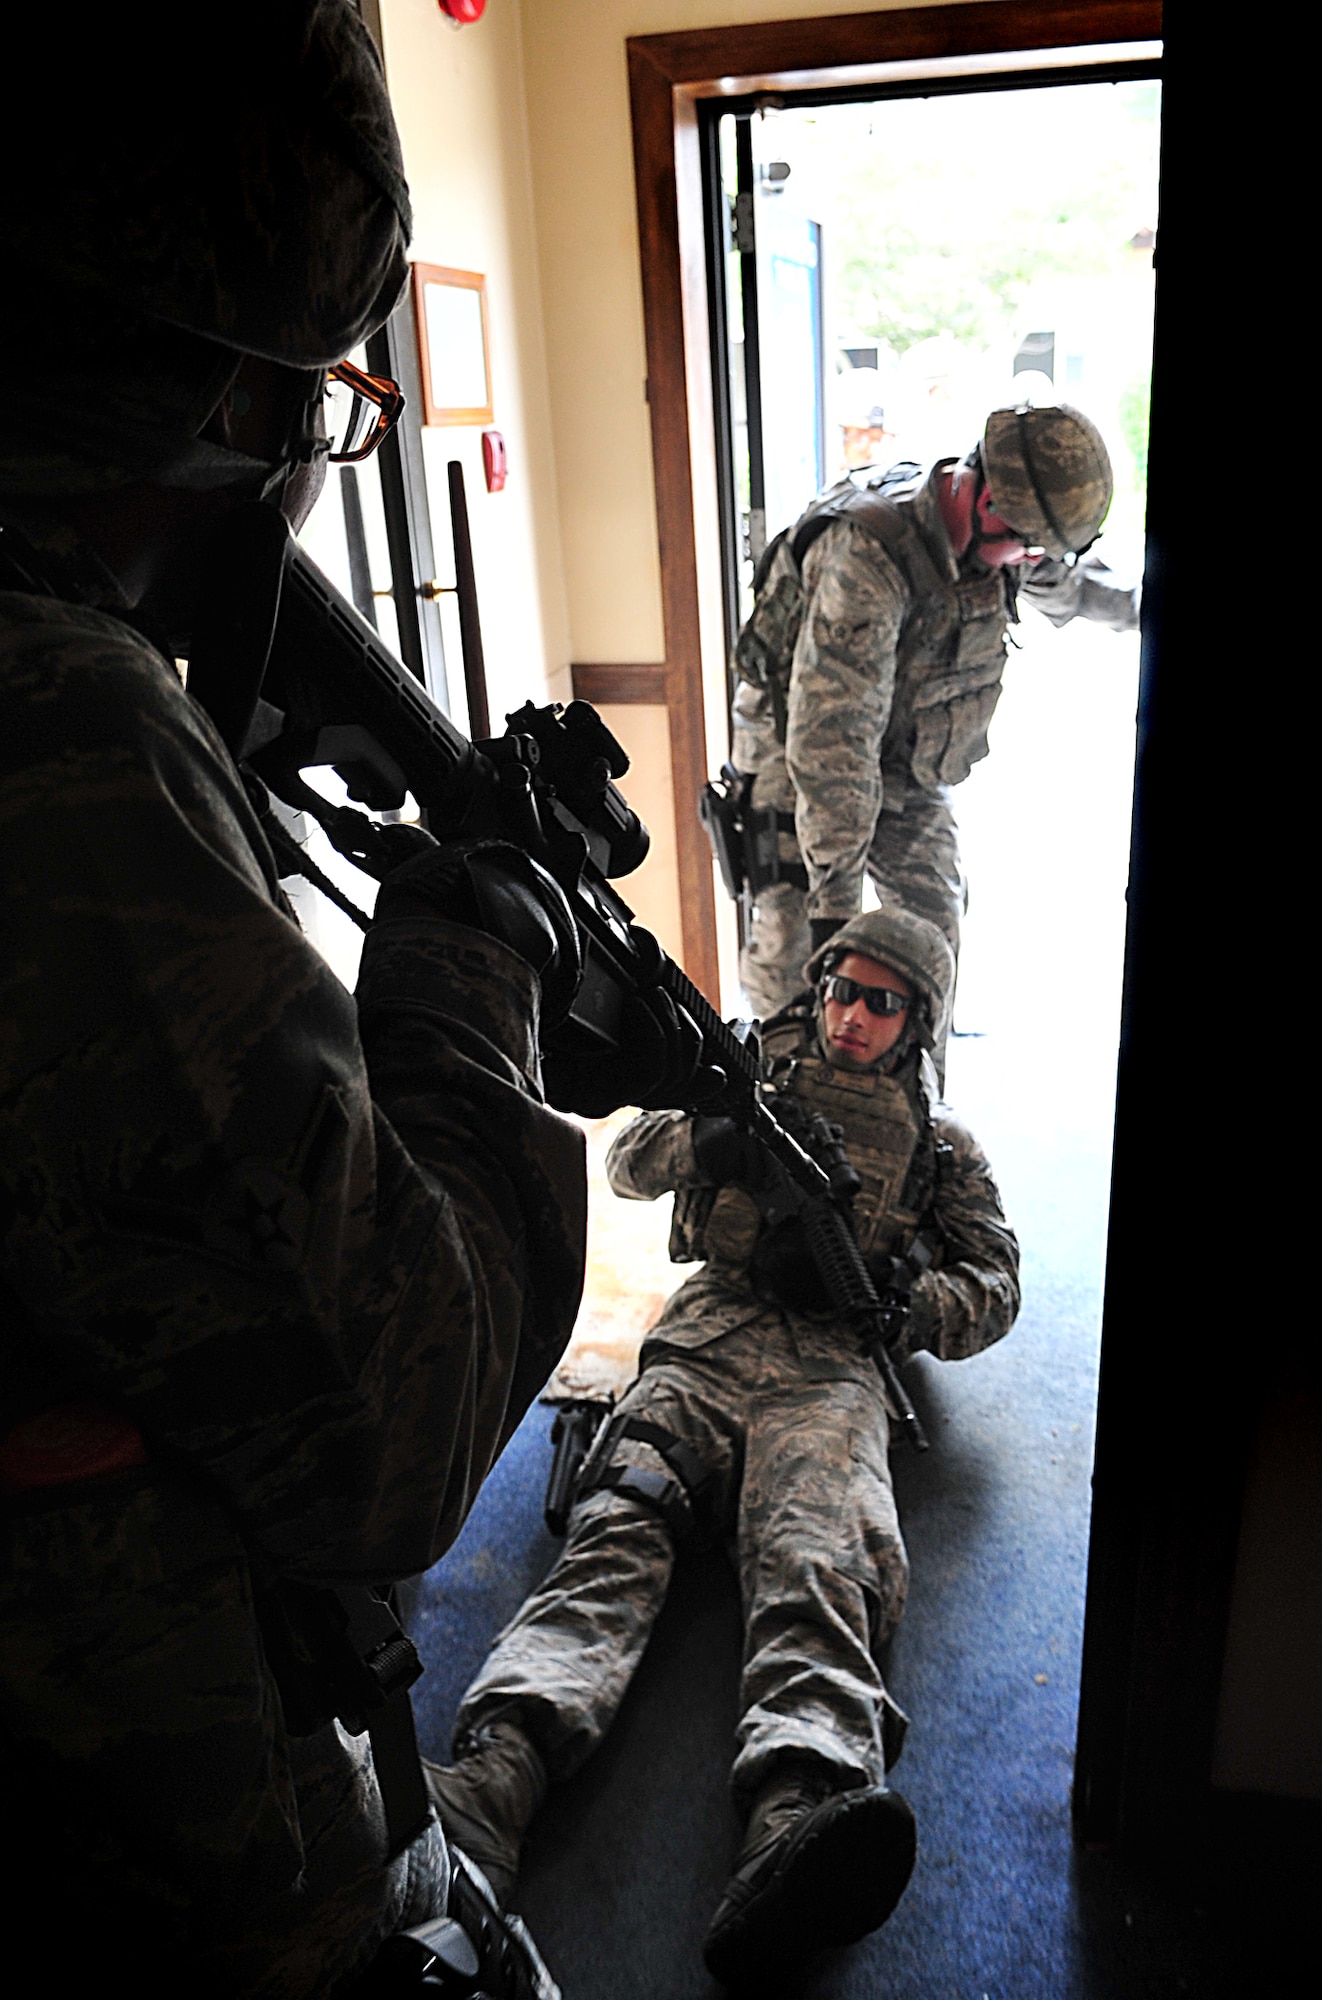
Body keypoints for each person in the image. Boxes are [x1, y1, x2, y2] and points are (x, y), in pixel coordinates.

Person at [0, 9, 699, 1992]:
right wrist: (477, 960)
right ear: (229, 388)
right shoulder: (61, 728)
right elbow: (394, 1419)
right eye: (313, 399)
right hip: (139, 1807)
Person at [423, 908, 1021, 1988]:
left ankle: (798, 1811)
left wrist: (906, 1301)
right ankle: (496, 1776)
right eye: (839, 988)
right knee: (620, 1522)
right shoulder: (745, 1077)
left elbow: (995, 1281)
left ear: (918, 1019)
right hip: (707, 1332)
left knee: (820, 1557)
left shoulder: (940, 1145)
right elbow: (625, 1160)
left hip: (831, 1366)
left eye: (881, 1002)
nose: (851, 1015)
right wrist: (712, 1140)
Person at [727, 400, 1141, 1023]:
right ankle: (775, 1080)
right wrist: (836, 923)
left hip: (904, 760)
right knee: (801, 969)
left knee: (930, 942)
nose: (1034, 563)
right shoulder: (865, 557)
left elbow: (1077, 586)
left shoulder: (1001, 536)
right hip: (799, 760)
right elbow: (833, 750)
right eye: (1030, 549)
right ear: (987, 503)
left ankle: (917, 1085)